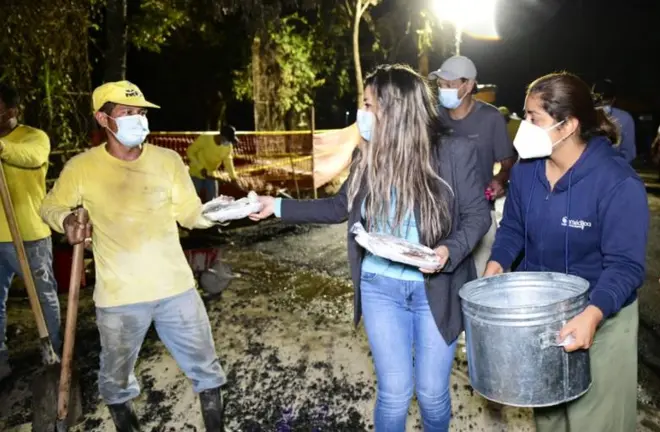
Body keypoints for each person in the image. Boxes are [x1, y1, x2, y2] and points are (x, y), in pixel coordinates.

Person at [250, 64, 490, 432]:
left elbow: (477, 216)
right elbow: (338, 207)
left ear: (394, 109)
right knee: (394, 393)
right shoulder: (366, 155)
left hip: (437, 288)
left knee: (431, 394)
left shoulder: (453, 152)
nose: (361, 115)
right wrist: (277, 206)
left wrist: (447, 251)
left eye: (367, 105)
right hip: (380, 286)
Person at [39, 81, 227, 431]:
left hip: (176, 289)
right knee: (116, 380)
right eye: (127, 113)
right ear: (103, 119)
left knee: (207, 369)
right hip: (120, 297)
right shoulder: (82, 168)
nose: (137, 120)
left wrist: (218, 213)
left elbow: (189, 213)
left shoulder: (168, 161)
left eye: (140, 113)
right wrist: (65, 220)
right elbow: (50, 205)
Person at [484, 72, 649, 432]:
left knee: (595, 421)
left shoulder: (616, 182)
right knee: (550, 416)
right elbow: (513, 227)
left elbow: (625, 266)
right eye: (523, 115)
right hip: (546, 314)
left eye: (533, 118)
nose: (522, 126)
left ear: (568, 125)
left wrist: (593, 314)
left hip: (602, 316)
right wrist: (496, 264)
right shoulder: (527, 171)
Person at [429, 55, 516, 276]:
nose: (443, 90)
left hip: (478, 214)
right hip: (440, 216)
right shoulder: (432, 118)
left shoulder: (491, 118)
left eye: (449, 85)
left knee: (485, 281)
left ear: (468, 85)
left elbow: (507, 163)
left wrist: (499, 179)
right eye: (440, 85)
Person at [0, 83, 61, 382]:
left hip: (29, 235)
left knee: (43, 296)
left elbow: (30, 157)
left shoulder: (34, 137)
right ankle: (1, 361)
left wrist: (1, 148)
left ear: (11, 110)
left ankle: (55, 353)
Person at [187, 125, 241, 203]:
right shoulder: (205, 138)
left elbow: (228, 161)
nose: (229, 143)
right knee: (191, 201)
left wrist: (233, 178)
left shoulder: (228, 146)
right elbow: (190, 152)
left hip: (211, 175)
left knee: (213, 202)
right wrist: (200, 167)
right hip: (195, 173)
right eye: (227, 140)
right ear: (221, 136)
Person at [593, 78, 637, 163]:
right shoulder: (625, 118)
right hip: (615, 171)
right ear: (613, 99)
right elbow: (629, 153)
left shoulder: (581, 116)